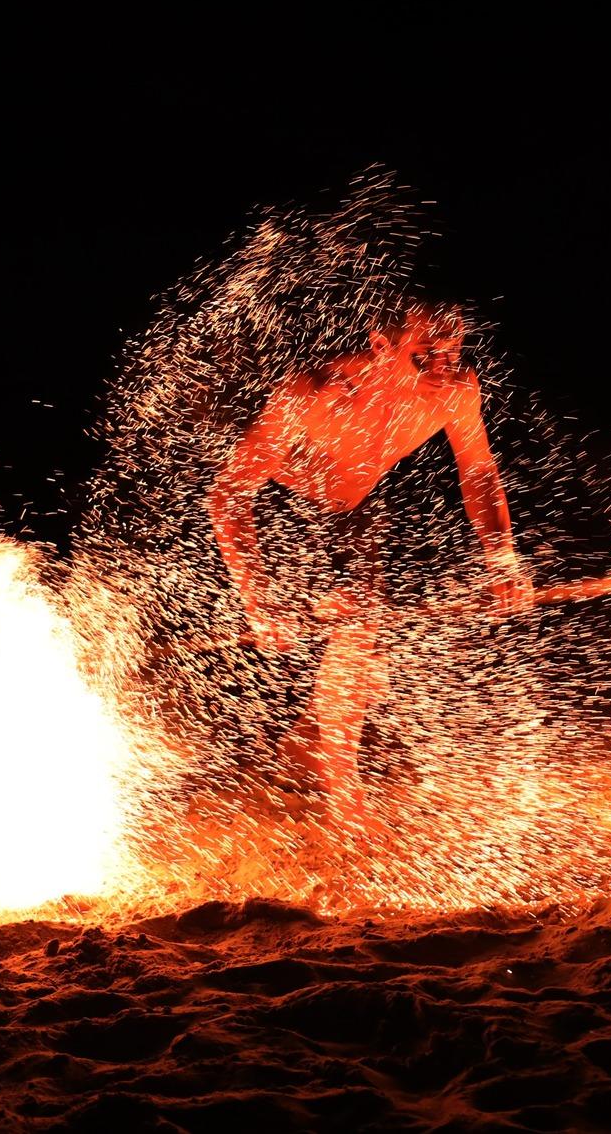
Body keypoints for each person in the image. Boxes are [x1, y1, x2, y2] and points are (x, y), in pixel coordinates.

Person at [206, 299, 534, 830]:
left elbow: (478, 473)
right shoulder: (315, 393)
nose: (442, 366)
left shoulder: (455, 390)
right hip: (282, 504)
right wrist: (258, 601)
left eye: (453, 352)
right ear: (382, 347)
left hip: (354, 509)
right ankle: (343, 794)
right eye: (425, 354)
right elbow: (229, 495)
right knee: (357, 625)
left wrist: (502, 559)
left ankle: (307, 750)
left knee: (365, 638)